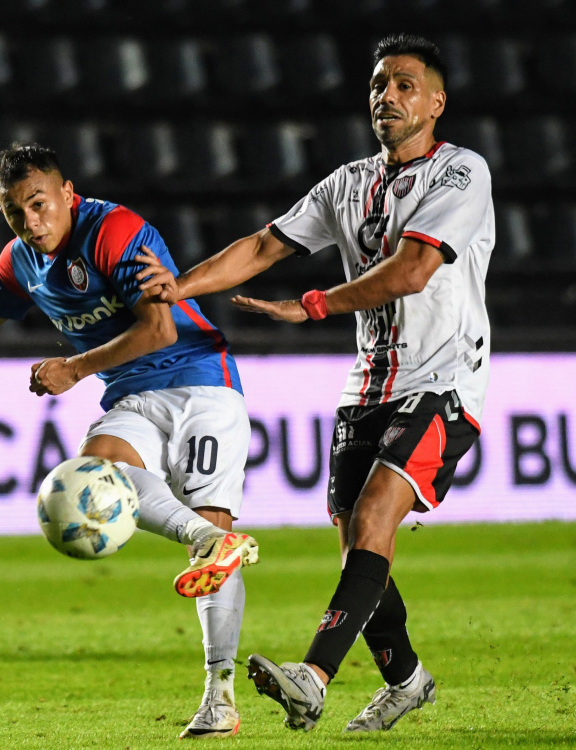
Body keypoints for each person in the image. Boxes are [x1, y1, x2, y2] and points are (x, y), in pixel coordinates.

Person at [0, 143, 258, 739]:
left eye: (38, 204)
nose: (31, 222)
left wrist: (76, 368)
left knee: (210, 543)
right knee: (91, 474)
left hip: (202, 385)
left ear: (66, 193)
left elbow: (160, 327)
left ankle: (219, 694)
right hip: (131, 397)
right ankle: (209, 538)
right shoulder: (19, 262)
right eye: (14, 213)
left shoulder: (114, 230)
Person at [135, 33, 493, 733]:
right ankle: (407, 677)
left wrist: (315, 304)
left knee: (374, 516)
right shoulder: (348, 182)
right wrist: (182, 286)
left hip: (444, 382)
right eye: (378, 85)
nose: (386, 96)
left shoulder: (461, 175)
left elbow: (414, 269)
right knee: (359, 542)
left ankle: (313, 676)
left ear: (437, 102)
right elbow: (266, 245)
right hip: (366, 386)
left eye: (404, 85)